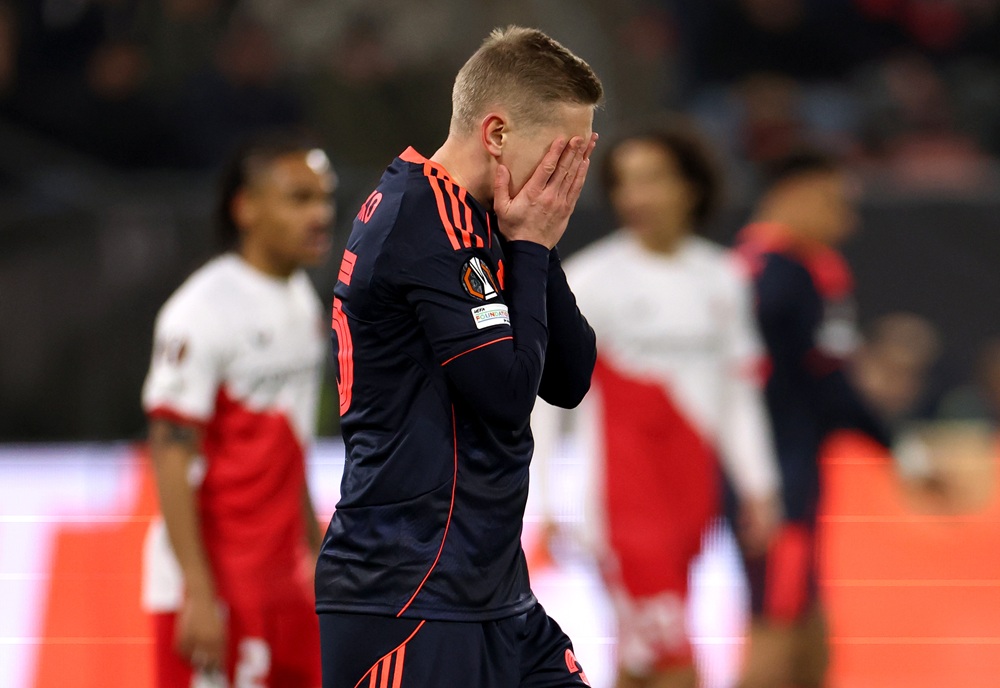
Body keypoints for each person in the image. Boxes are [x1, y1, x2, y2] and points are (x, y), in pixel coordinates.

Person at [314, 26, 603, 688]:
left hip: (494, 593)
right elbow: (506, 395)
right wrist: (529, 247)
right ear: (496, 134)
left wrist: (536, 245)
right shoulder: (424, 219)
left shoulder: (484, 217)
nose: (570, 177)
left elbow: (568, 378)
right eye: (562, 153)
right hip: (412, 592)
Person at [531, 119, 783, 688]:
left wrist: (759, 485)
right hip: (620, 506)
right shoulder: (588, 280)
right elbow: (545, 405)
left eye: (653, 179)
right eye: (625, 182)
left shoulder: (723, 277)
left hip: (693, 501)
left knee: (644, 659)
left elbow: (738, 392)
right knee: (675, 663)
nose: (636, 196)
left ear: (691, 186)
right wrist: (543, 502)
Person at [141, 132, 336, 687]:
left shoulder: (301, 299)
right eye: (299, 199)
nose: (320, 214)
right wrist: (198, 594)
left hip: (281, 575)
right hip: (212, 584)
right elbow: (170, 456)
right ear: (246, 208)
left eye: (324, 198)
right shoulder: (199, 311)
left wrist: (314, 549)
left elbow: (291, 443)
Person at [730, 150, 893, 688]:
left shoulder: (749, 269)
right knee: (777, 628)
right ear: (793, 194)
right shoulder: (787, 276)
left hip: (781, 476)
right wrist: (899, 447)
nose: (847, 221)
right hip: (778, 485)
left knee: (805, 628)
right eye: (834, 203)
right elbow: (830, 386)